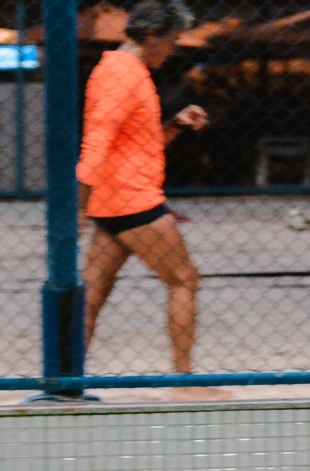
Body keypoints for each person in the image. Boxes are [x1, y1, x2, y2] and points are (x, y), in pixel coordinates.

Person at [77, 0, 225, 399]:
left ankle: (69, 379)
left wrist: (176, 124)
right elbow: (95, 143)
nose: (173, 49)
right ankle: (184, 382)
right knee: (184, 279)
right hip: (133, 200)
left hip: (114, 200)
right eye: (172, 40)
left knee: (92, 294)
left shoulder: (123, 69)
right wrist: (78, 211)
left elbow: (139, 144)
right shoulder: (123, 74)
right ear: (153, 35)